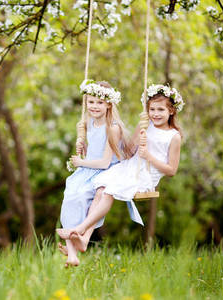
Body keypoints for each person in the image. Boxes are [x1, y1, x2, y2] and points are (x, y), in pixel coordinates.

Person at [61, 84, 184, 253]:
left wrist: (148, 156)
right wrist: (138, 132)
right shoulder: (144, 126)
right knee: (100, 189)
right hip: (129, 167)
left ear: (171, 111)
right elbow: (128, 152)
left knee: (108, 191)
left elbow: (171, 170)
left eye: (160, 110)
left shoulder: (174, 136)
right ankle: (84, 239)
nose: (155, 114)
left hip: (147, 174)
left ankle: (80, 228)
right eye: (152, 109)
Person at [56, 80, 134, 267]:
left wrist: (81, 162)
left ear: (109, 104)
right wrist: (80, 144)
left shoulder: (112, 127)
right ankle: (72, 254)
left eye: (99, 102)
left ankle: (81, 238)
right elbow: (85, 141)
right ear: (86, 102)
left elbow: (105, 162)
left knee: (83, 195)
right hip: (88, 170)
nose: (95, 106)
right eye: (91, 102)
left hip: (105, 170)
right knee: (70, 196)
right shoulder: (86, 123)